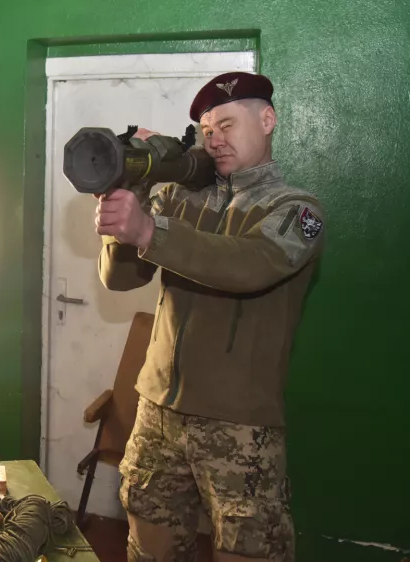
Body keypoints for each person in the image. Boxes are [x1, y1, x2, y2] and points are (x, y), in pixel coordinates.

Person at [95, 72, 325, 562]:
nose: (214, 138)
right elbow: (121, 279)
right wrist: (126, 209)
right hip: (157, 412)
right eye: (206, 130)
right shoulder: (179, 198)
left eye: (226, 123)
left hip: (239, 425)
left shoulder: (294, 210)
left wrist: (150, 231)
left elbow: (248, 266)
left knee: (248, 551)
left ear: (267, 120)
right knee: (150, 547)